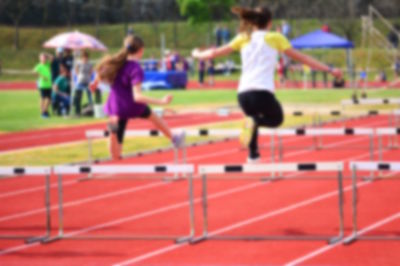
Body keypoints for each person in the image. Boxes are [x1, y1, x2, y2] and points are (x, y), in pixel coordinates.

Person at [192, 6, 341, 162]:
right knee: (276, 119)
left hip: (243, 94)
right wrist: (329, 69)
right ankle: (255, 124)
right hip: (262, 91)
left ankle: (253, 155)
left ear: (253, 22)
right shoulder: (275, 37)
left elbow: (214, 53)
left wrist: (196, 54)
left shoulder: (243, 38)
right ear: (269, 23)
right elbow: (302, 58)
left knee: (251, 119)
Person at [90, 35, 185, 160]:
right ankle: (174, 138)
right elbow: (137, 97)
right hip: (131, 105)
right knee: (154, 117)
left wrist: (95, 83)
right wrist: (161, 101)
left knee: (116, 154)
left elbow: (101, 71)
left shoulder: (117, 62)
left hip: (116, 106)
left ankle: (113, 134)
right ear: (141, 50)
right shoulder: (135, 68)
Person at [74, 51, 94, 116]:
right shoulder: (79, 63)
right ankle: (78, 111)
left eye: (86, 57)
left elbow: (91, 71)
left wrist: (89, 77)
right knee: (78, 96)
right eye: (84, 57)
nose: (85, 59)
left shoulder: (90, 64)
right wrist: (79, 76)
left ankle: (91, 109)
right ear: (82, 57)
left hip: (87, 81)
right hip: (80, 81)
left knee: (90, 96)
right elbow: (76, 70)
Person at [33, 53, 53, 118]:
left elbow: (52, 58)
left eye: (44, 58)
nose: (44, 59)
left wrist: (46, 54)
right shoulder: (38, 66)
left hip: (49, 84)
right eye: (42, 58)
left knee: (49, 99)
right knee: (43, 98)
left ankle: (45, 111)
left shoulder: (47, 64)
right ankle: (43, 112)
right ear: (40, 59)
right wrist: (42, 76)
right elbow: (34, 72)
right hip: (42, 84)